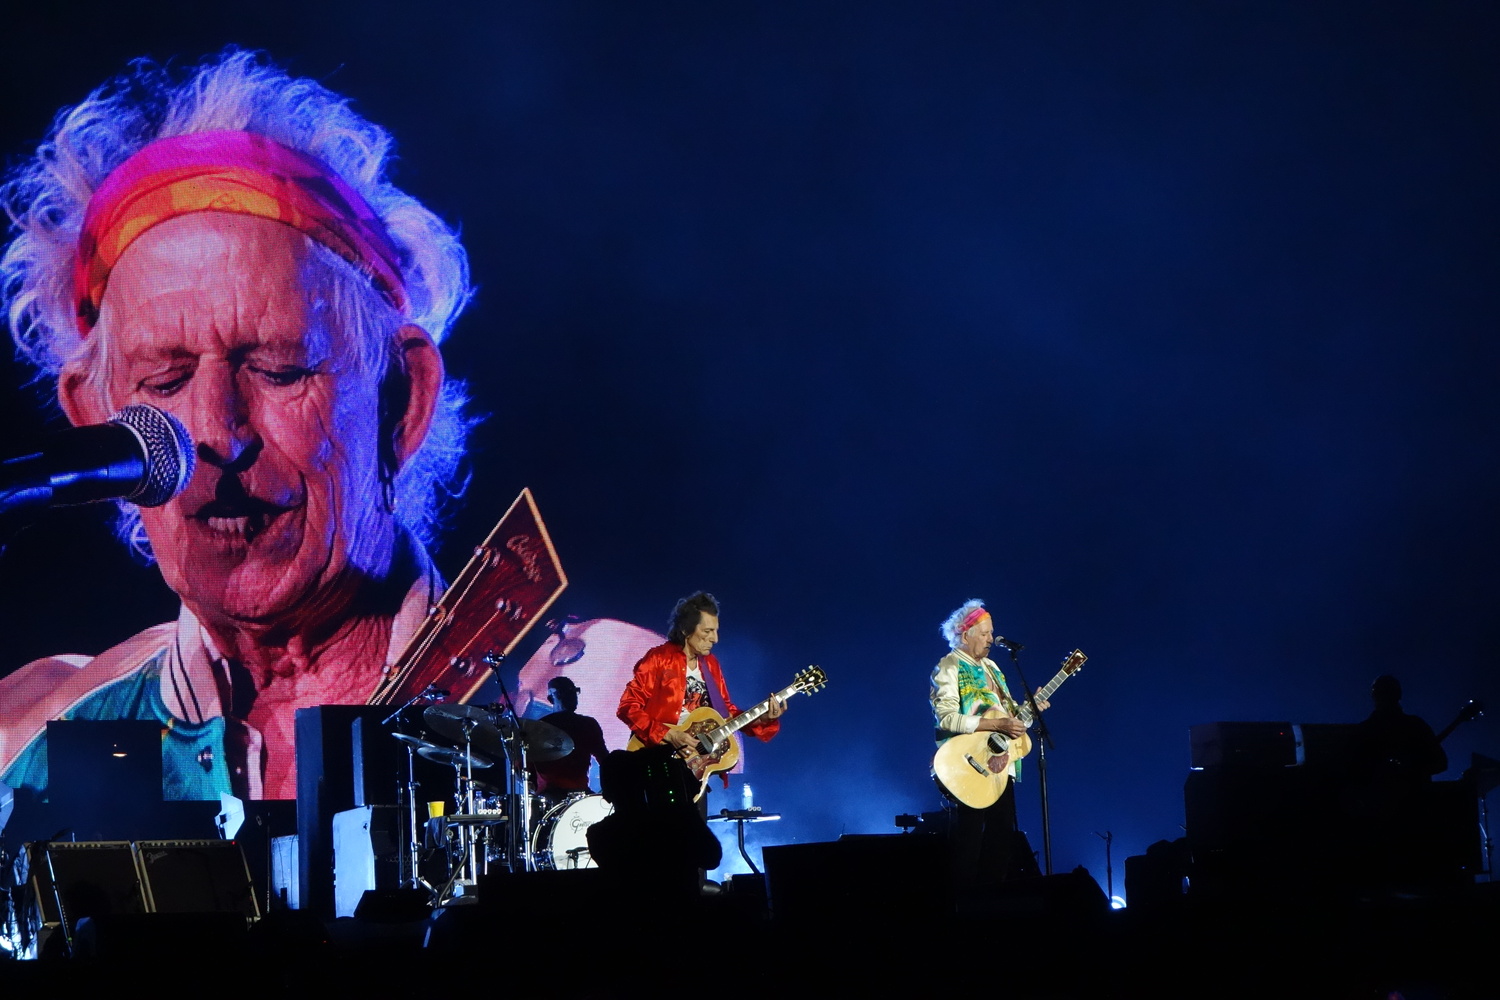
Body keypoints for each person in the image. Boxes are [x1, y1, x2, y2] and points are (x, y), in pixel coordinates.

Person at [0, 50, 472, 801]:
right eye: (165, 381)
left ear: (400, 402)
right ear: (94, 417)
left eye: (280, 369)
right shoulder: (28, 745)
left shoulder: (599, 704)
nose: (218, 434)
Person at [931, 599, 1046, 888]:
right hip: (968, 764)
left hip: (1000, 765)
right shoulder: (949, 666)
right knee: (969, 840)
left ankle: (993, 900)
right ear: (965, 633)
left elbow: (1008, 718)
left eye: (991, 632)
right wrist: (996, 725)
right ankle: (964, 902)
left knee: (1001, 839)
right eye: (984, 633)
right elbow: (947, 718)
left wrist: (1030, 710)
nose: (991, 639)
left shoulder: (993, 668)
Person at [616, 592, 784, 787]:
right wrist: (668, 735)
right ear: (686, 630)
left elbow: (725, 713)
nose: (715, 639)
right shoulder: (658, 659)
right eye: (707, 631)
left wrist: (762, 719)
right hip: (656, 760)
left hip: (694, 767)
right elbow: (628, 706)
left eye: (716, 631)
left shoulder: (711, 664)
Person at [531, 676, 609, 799]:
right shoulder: (540, 727)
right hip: (551, 795)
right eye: (564, 692)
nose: (572, 696)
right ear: (551, 698)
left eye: (574, 691)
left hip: (577, 793)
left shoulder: (588, 724)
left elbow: (605, 761)